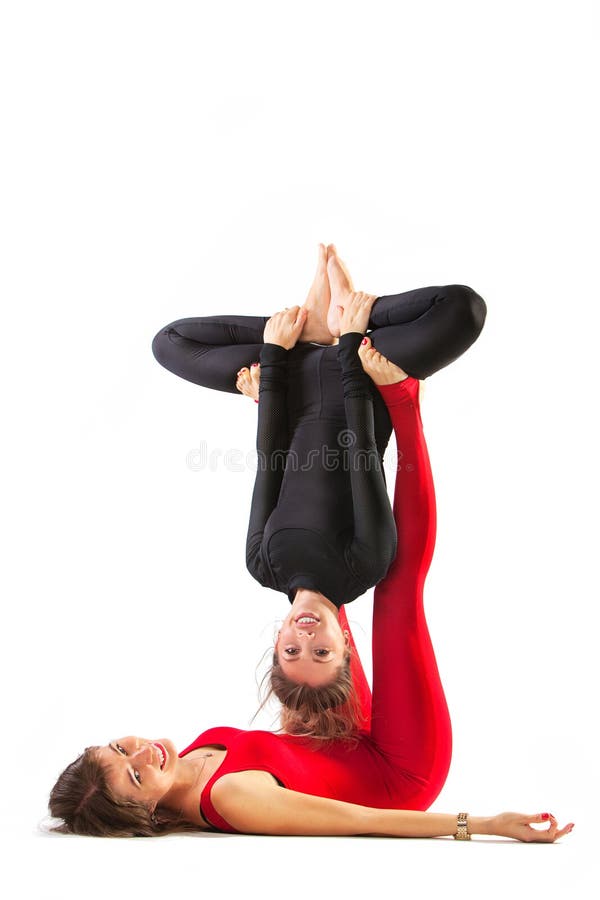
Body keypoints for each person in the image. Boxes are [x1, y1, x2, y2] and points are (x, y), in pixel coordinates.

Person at [48, 348, 573, 842]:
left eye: (120, 749)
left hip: (343, 736)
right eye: (136, 780)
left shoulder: (186, 756)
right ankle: (403, 398)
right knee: (397, 593)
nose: (142, 755)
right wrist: (485, 824)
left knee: (315, 603)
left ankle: (307, 406)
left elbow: (295, 760)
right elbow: (361, 819)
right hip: (399, 772)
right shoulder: (232, 798)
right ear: (148, 815)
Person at [150, 245, 487, 721]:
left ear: (278, 640)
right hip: (366, 375)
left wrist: (276, 359)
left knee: (168, 343)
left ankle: (312, 326)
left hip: (296, 381)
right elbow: (361, 450)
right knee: (463, 310)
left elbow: (271, 460)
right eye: (321, 653)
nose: (305, 640)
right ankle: (343, 312)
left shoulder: (262, 565)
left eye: (292, 653)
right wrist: (350, 341)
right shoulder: (364, 566)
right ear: (346, 643)